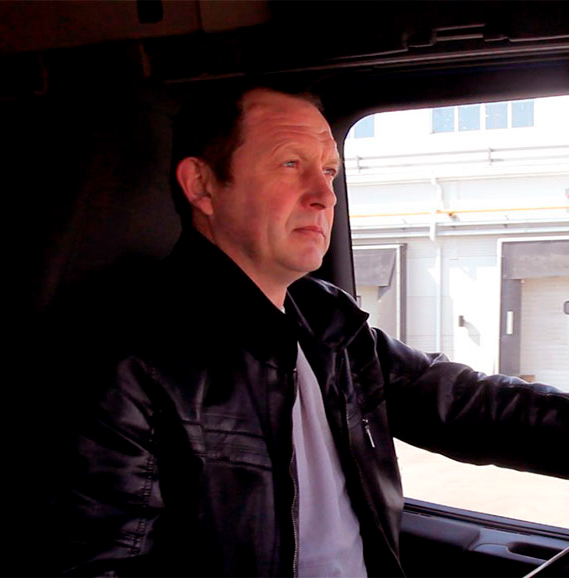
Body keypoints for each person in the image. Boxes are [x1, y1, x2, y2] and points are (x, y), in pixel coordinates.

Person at [50, 84, 568, 577]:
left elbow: (463, 404)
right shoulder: (130, 358)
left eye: (329, 170)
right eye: (290, 164)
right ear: (202, 186)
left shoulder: (323, 317)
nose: (324, 195)